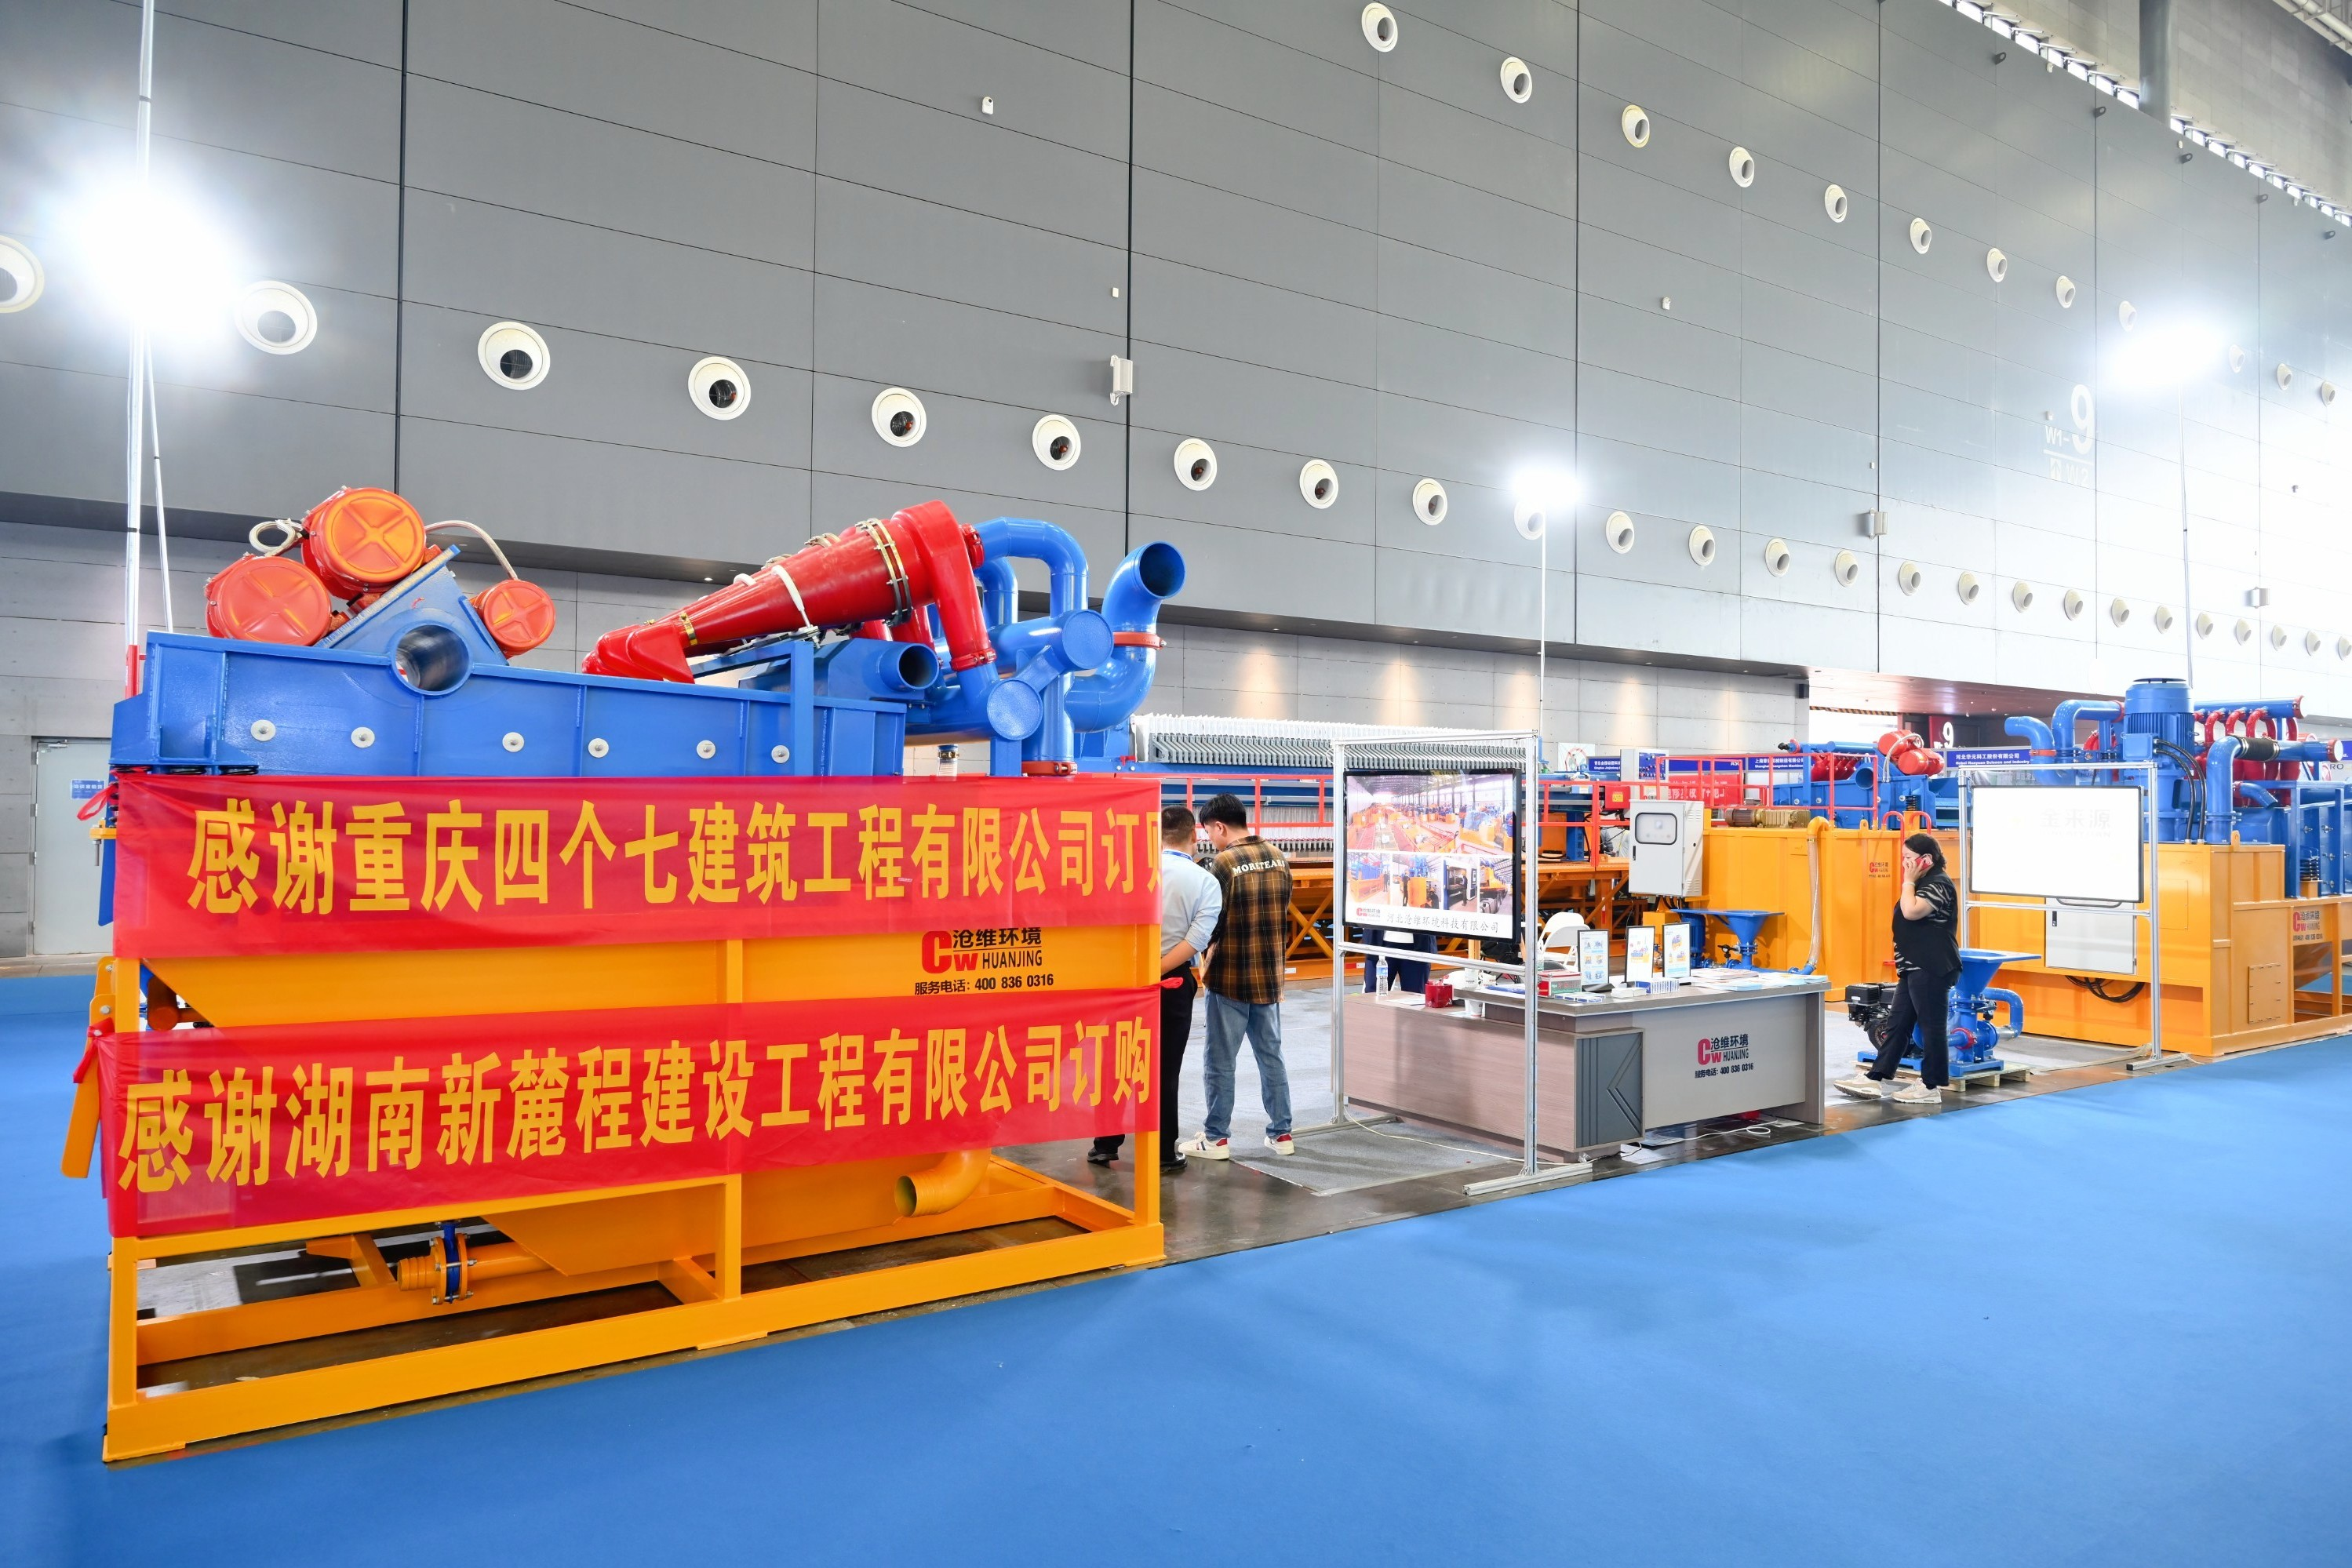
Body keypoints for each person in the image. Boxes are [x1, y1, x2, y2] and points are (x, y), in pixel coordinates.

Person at [1089, 805, 1220, 1174]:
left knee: (1114, 1062)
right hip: (1171, 982)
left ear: (1153, 835)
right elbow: (1197, 939)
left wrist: (1133, 970)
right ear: (1194, 835)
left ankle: (1104, 1145)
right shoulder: (1205, 881)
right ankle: (1163, 1151)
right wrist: (1156, 970)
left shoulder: (1127, 872)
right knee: (1165, 1067)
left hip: (1120, 979)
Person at [1179, 794, 1296, 1159]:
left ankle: (1216, 1138)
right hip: (1269, 978)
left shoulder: (1223, 863)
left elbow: (1211, 921)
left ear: (1219, 826)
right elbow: (1283, 910)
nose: (1209, 839)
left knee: (1220, 1061)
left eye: (1208, 832)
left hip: (1229, 977)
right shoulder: (1279, 857)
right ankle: (1282, 1134)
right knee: (1271, 1056)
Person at [1836, 833, 1961, 1106]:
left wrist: (1908, 881)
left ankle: (1931, 1086)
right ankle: (1875, 1077)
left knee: (1931, 1027)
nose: (1904, 863)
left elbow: (1912, 912)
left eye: (1908, 858)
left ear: (1926, 859)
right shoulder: (1924, 882)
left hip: (1930, 967)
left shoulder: (1938, 883)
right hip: (1913, 968)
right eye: (1903, 858)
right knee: (1898, 1024)